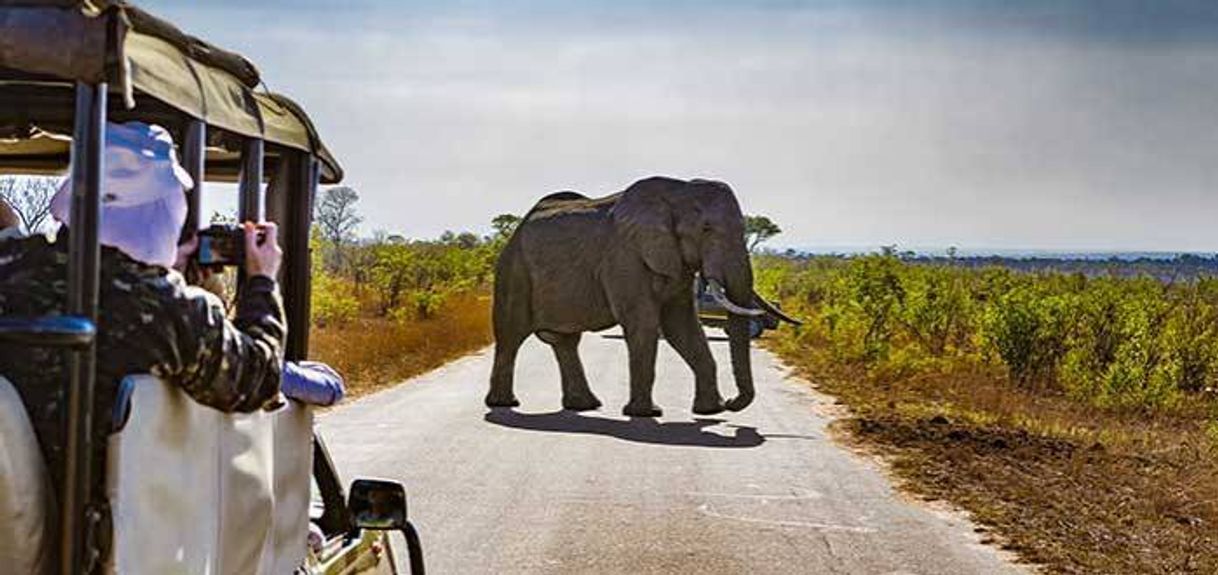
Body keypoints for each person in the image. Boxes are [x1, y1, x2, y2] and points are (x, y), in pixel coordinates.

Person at [0, 122, 285, 570]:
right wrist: (263, 281)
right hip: (108, 553)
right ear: (163, 210)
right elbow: (259, 378)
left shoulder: (11, 267)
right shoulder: (172, 310)